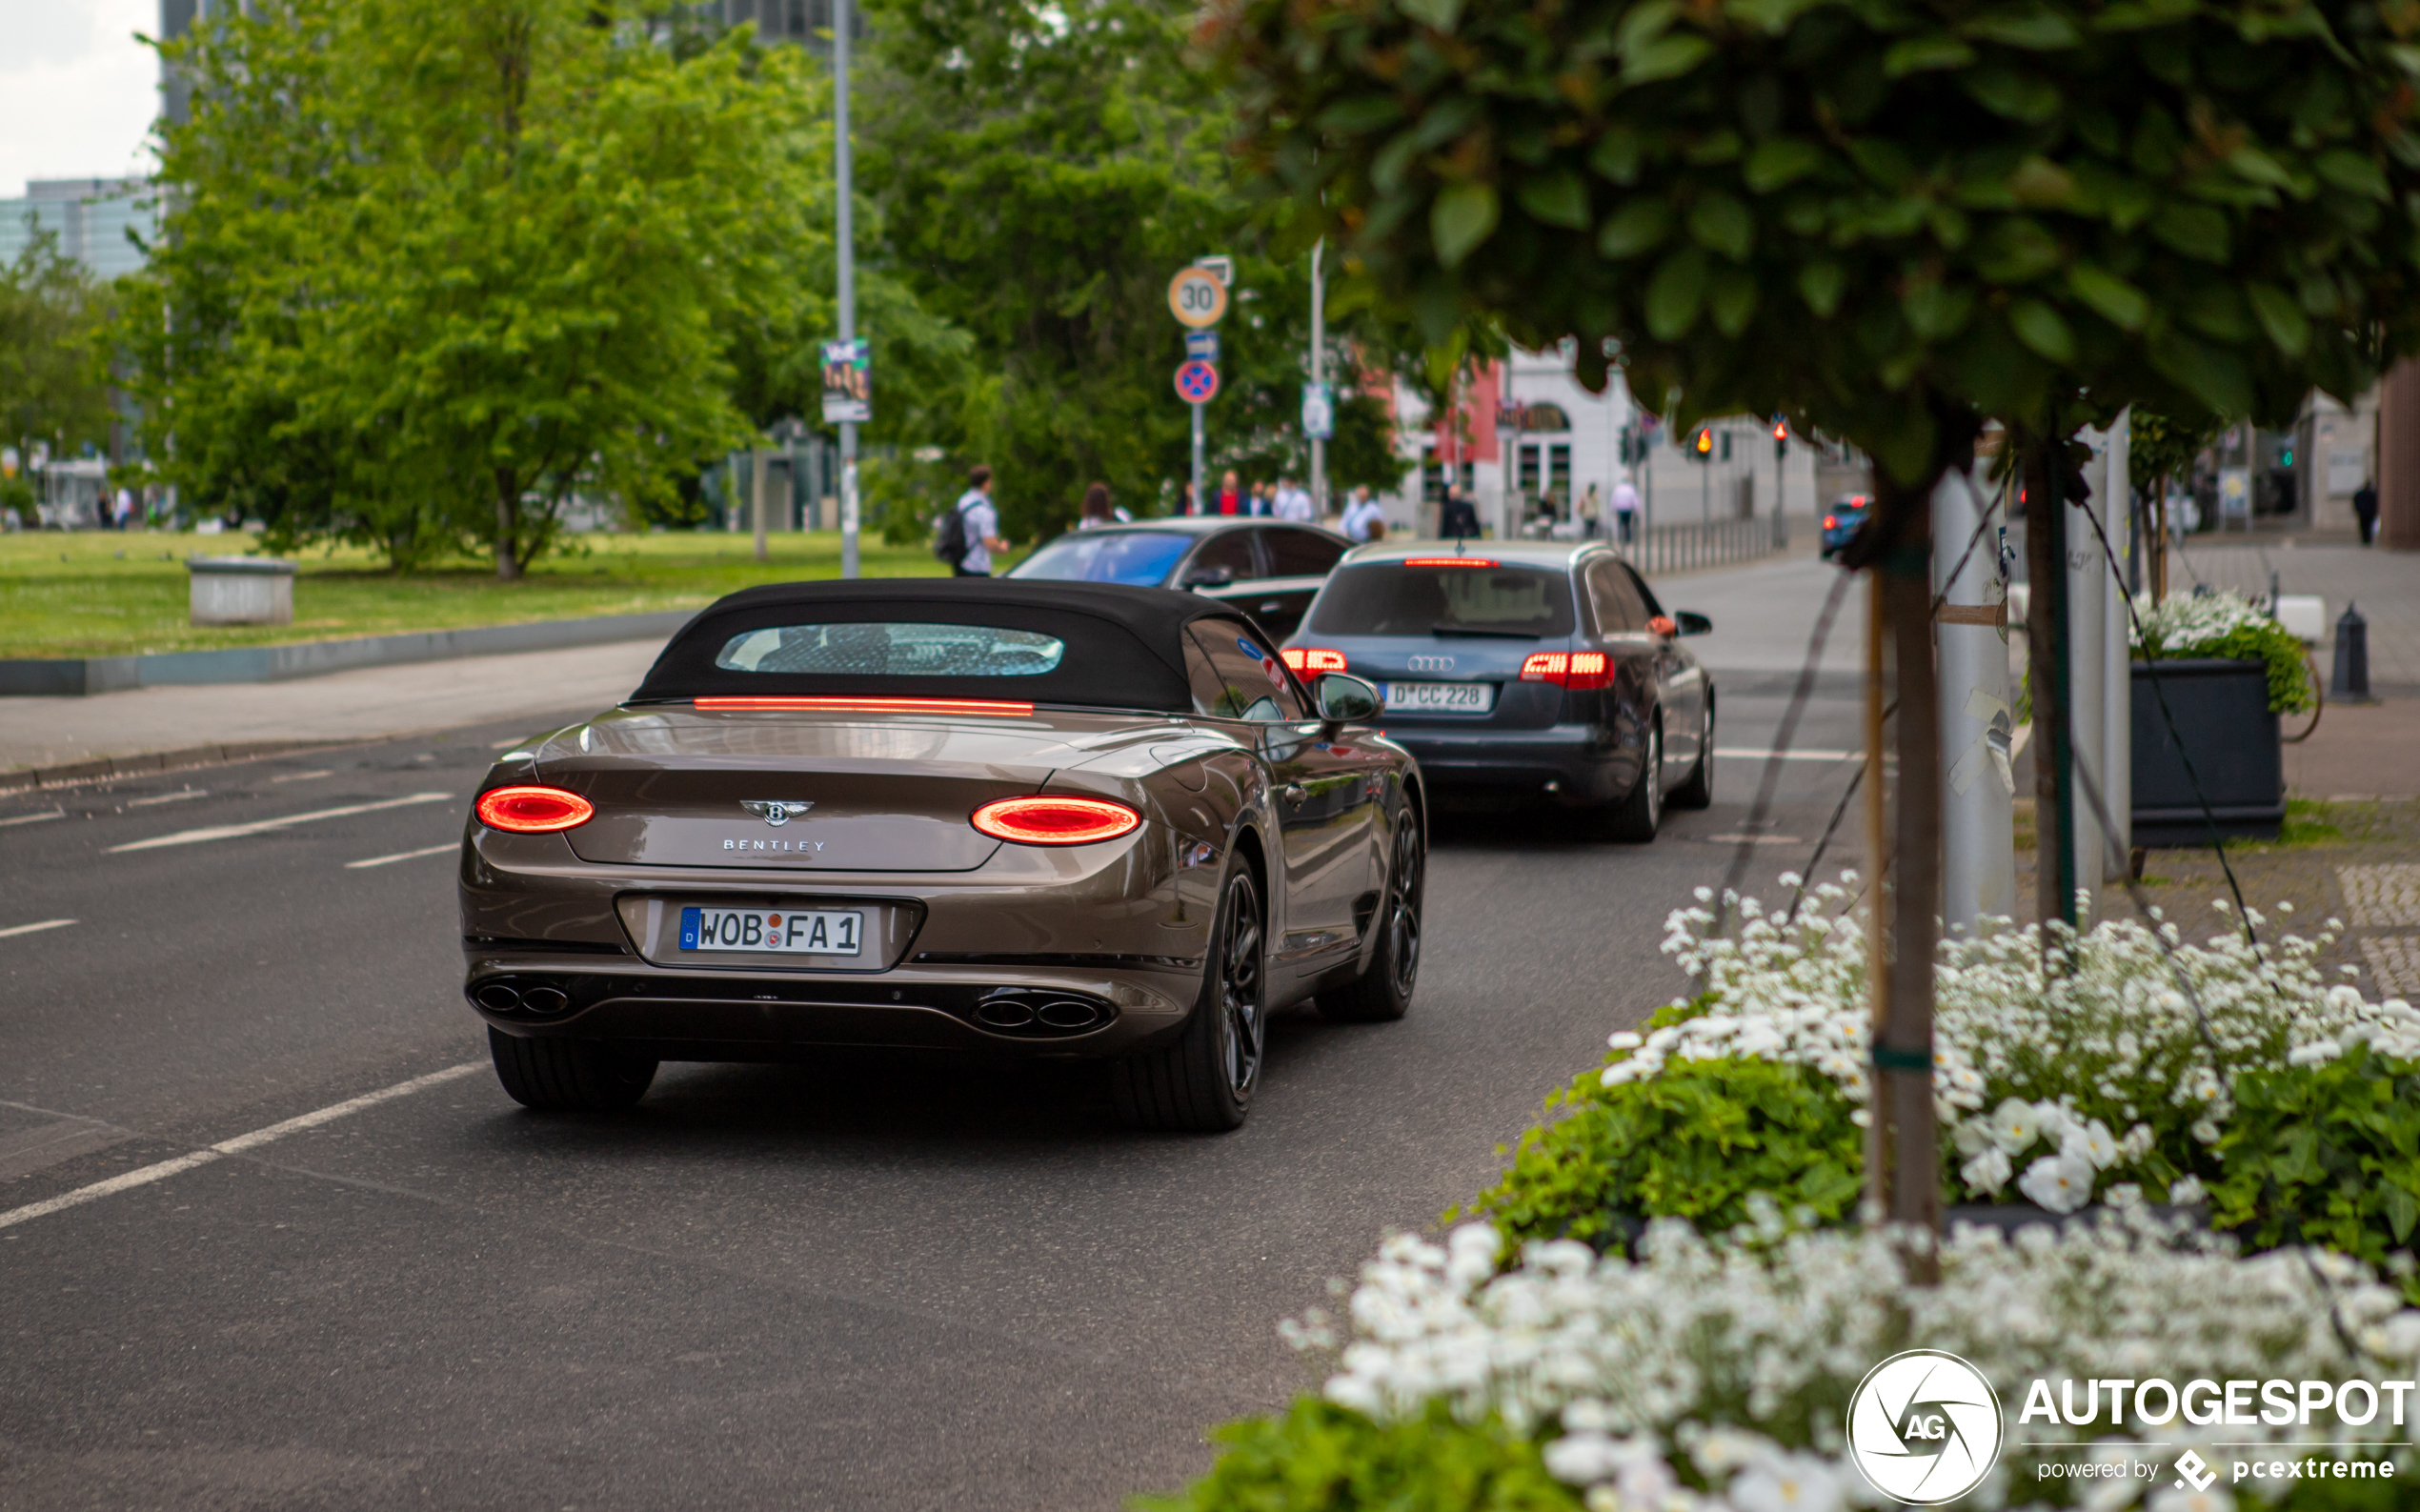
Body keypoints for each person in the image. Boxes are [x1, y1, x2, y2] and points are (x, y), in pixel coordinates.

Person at [951, 465, 1005, 577]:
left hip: (960, 561)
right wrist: (1002, 548)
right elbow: (989, 541)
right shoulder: (983, 509)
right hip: (977, 566)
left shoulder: (962, 502)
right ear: (986, 483)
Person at [1611, 477, 1641, 545]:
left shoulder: (1618, 488)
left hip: (1619, 508)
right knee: (1627, 524)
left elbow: (1614, 499)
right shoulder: (1631, 488)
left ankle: (1620, 538)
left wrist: (1613, 508)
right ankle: (1627, 539)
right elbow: (1635, 500)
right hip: (1628, 509)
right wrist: (1636, 509)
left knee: (1620, 524)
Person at [2354, 478, 2380, 546]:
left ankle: (2365, 539)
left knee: (2364, 527)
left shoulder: (2360, 494)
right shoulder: (2372, 494)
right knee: (2369, 527)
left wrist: (2358, 510)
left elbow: (2356, 502)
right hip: (2369, 513)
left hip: (2363, 513)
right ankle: (2368, 539)